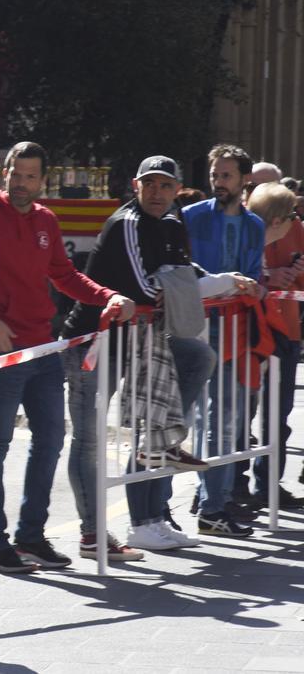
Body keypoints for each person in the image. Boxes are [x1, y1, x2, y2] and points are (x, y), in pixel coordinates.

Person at [0, 141, 134, 573]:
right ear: (4, 172)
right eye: (16, 173)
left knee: (49, 441)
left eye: (30, 176)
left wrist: (108, 296)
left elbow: (64, 275)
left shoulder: (45, 219)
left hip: (43, 347)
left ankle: (30, 537)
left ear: (42, 181)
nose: (22, 182)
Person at [62, 156, 219, 557]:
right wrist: (184, 288)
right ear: (136, 186)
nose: (157, 193)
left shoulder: (171, 222)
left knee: (198, 357)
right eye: (150, 184)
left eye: (165, 185)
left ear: (175, 190)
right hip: (94, 342)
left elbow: (183, 273)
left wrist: (223, 281)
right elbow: (143, 288)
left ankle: (162, 441)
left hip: (139, 340)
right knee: (88, 441)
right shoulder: (126, 222)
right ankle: (93, 534)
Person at [182, 143, 266, 536]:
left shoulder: (254, 225)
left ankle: (213, 505)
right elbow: (183, 269)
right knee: (184, 419)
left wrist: (255, 289)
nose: (218, 182)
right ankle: (164, 508)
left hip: (237, 328)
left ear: (244, 179)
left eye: (226, 176)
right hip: (195, 326)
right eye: (215, 175)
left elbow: (254, 274)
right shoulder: (191, 217)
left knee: (227, 420)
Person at [247, 182, 304, 509]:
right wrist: (270, 278)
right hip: (251, 330)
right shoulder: (249, 227)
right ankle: (228, 489)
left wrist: (296, 272)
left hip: (286, 331)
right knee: (238, 414)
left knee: (278, 414)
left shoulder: (296, 228)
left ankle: (269, 484)